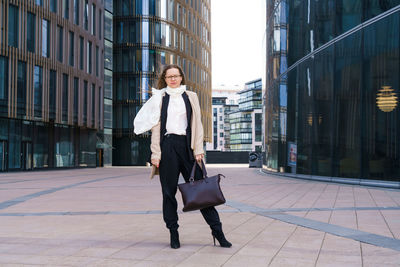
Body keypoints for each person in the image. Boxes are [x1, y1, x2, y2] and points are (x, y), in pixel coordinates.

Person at [149, 64, 231, 249]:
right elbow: (155, 127)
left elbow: (198, 124)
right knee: (168, 193)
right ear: (165, 78)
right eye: (169, 76)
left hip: (188, 146)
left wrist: (198, 149)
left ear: (181, 77)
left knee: (202, 192)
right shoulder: (159, 98)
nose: (173, 79)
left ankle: (218, 232)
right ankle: (173, 233)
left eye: (176, 75)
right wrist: (156, 153)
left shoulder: (191, 96)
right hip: (167, 147)